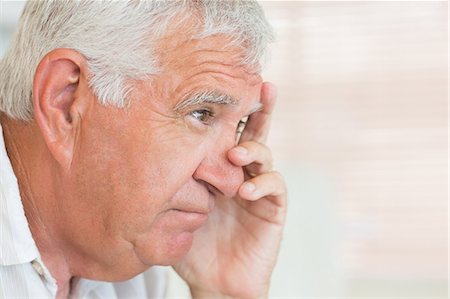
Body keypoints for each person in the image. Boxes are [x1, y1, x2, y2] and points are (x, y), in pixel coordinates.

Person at [0, 1, 287, 298]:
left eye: (239, 125)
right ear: (65, 103)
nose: (231, 183)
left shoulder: (127, 263)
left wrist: (223, 293)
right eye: (201, 113)